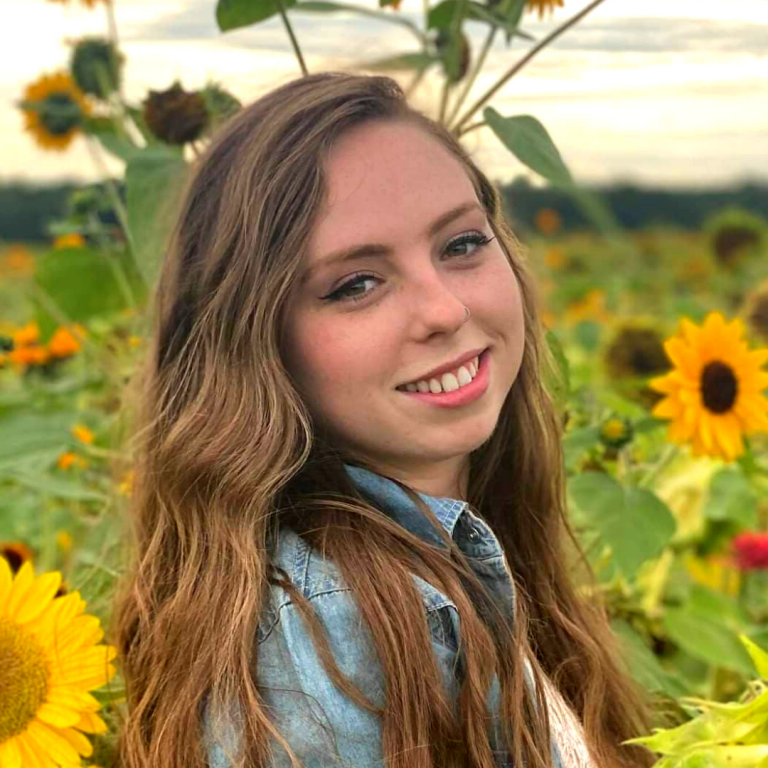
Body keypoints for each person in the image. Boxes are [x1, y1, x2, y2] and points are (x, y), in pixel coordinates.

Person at [111, 71, 656, 768]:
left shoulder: (451, 556)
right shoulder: (335, 640)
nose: (445, 310)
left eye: (461, 244)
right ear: (254, 342)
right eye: (356, 284)